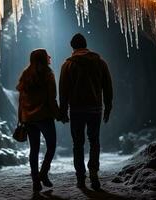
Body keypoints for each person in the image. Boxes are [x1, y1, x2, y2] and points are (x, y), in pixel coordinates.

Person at [59, 33, 113, 190]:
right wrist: (108, 106)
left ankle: (80, 177)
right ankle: (94, 172)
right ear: (85, 45)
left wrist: (63, 111)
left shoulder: (67, 65)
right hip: (95, 109)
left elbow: (63, 90)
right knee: (94, 141)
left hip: (76, 110)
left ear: (73, 47)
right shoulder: (100, 62)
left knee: (78, 143)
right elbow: (107, 86)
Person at [16, 49, 59, 192]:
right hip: (44, 117)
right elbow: (51, 98)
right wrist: (58, 114)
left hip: (28, 118)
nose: (49, 57)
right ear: (42, 58)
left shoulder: (25, 75)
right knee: (51, 146)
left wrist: (21, 118)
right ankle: (43, 173)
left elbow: (21, 100)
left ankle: (36, 181)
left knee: (33, 149)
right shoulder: (47, 74)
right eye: (47, 55)